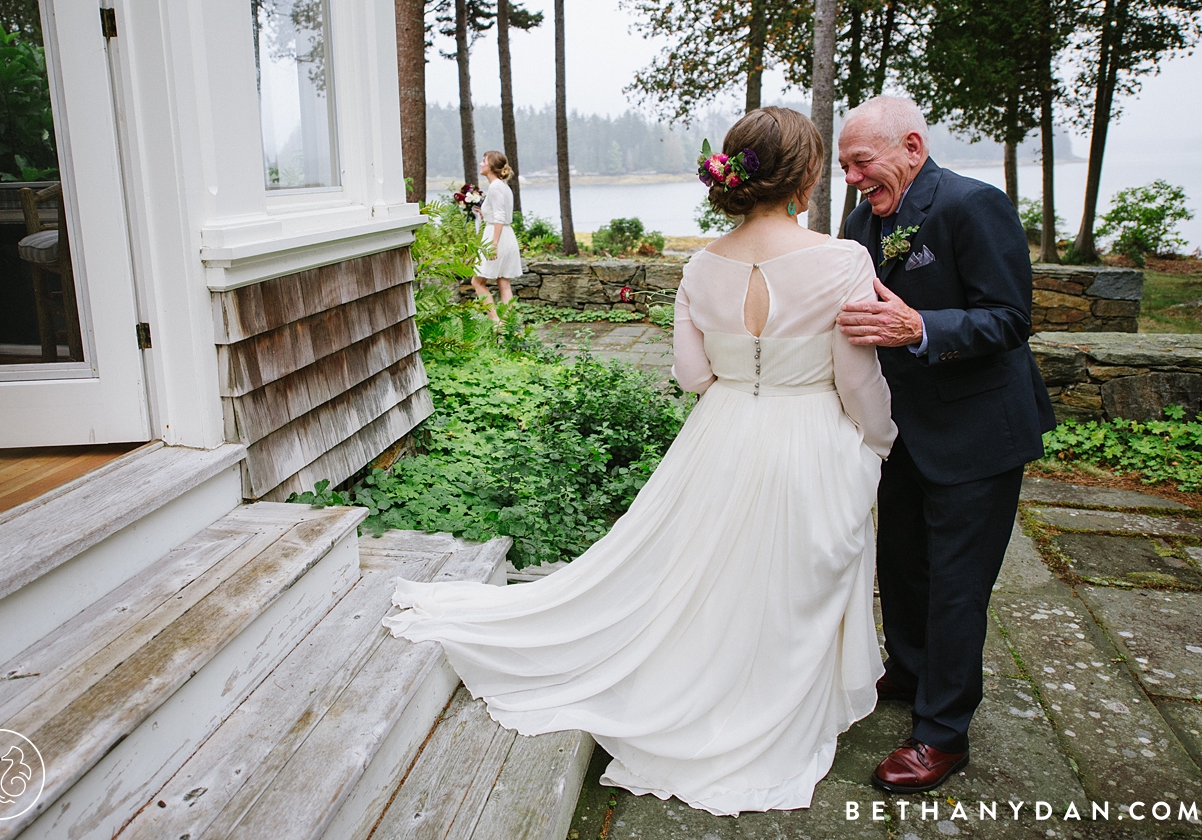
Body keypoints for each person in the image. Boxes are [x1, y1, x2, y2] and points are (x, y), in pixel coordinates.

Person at [384, 108, 898, 816]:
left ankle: (705, 674)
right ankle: (762, 692)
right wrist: (878, 438)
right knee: (786, 570)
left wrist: (740, 382)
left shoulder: (701, 263)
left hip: (720, 433)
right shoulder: (842, 261)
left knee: (709, 563)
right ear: (804, 177)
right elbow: (858, 379)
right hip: (807, 431)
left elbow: (692, 374)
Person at [836, 96, 1056, 794]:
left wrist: (921, 328)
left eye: (861, 161)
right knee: (900, 563)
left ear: (911, 146)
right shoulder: (859, 218)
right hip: (899, 429)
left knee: (957, 586)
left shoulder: (973, 205)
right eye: (844, 166)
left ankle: (942, 732)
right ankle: (908, 667)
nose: (852, 178)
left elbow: (1010, 318)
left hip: (976, 432)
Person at [472, 150, 523, 322]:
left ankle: (496, 322)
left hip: (496, 238)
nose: (481, 164)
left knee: (477, 282)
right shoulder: (503, 187)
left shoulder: (495, 187)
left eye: (483, 160)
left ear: (491, 166)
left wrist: (493, 244)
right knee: (504, 283)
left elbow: (500, 216)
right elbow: (500, 214)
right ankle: (509, 324)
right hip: (506, 235)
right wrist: (483, 213)